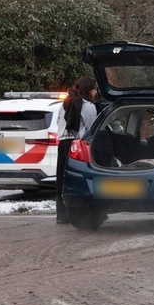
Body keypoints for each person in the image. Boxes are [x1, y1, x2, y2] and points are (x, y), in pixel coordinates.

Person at [55, 76, 98, 223]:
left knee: (62, 179)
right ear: (89, 89)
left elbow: (58, 122)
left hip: (63, 143)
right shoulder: (88, 106)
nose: (95, 92)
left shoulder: (65, 103)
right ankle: (83, 213)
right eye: (94, 88)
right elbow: (92, 128)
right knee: (79, 177)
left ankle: (61, 215)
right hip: (77, 144)